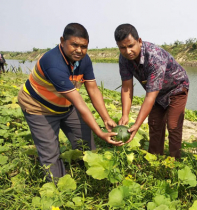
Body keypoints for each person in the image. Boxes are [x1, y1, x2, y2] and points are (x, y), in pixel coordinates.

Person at [17, 23, 123, 181]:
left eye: (84, 46)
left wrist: (106, 119)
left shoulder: (84, 60)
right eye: (74, 45)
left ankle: (88, 175)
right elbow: (80, 104)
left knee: (85, 141)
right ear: (62, 41)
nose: (79, 50)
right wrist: (100, 133)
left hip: (65, 105)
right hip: (39, 107)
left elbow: (93, 89)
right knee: (50, 153)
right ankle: (59, 190)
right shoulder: (53, 62)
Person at [114, 24, 189, 159]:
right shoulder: (123, 59)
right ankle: (155, 159)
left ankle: (175, 161)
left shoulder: (155, 57)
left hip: (176, 88)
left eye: (131, 46)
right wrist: (125, 115)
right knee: (154, 124)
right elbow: (126, 87)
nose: (128, 51)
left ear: (139, 41)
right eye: (122, 48)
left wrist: (136, 125)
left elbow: (150, 97)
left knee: (173, 125)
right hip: (157, 93)